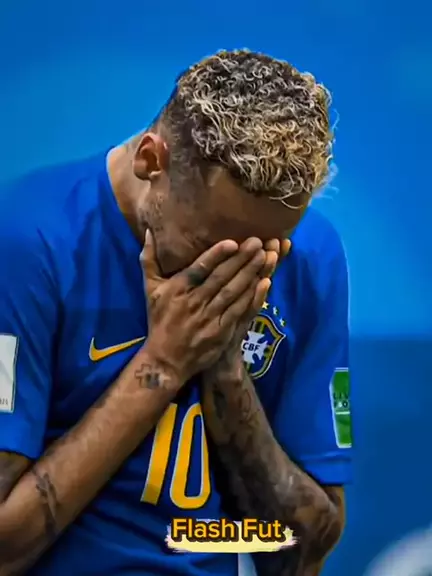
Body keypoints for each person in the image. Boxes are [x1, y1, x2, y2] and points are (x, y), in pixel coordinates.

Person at [0, 49, 351, 576]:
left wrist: (224, 364)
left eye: (267, 250)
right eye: (211, 248)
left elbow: (300, 555)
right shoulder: (27, 243)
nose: (238, 273)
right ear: (151, 161)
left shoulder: (312, 258)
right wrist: (164, 362)